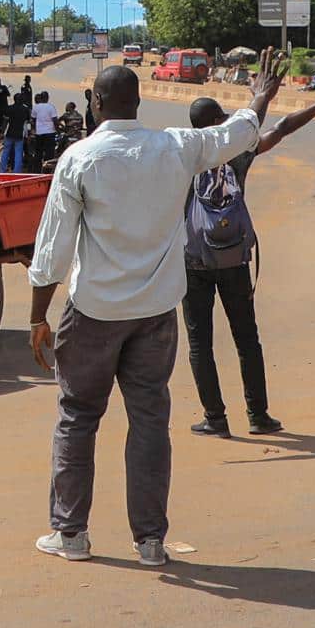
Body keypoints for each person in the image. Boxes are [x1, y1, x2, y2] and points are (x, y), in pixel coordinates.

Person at [27, 50, 282, 568]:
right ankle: (149, 542)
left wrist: (37, 317)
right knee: (149, 421)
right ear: (139, 103)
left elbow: (52, 251)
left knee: (78, 418)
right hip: (156, 313)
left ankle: (70, 534)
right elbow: (236, 134)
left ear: (96, 103)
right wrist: (260, 95)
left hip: (94, 311)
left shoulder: (79, 159)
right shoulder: (176, 147)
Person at [184, 78, 315, 437]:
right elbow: (280, 128)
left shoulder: (182, 157)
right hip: (233, 258)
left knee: (200, 343)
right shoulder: (237, 154)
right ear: (220, 122)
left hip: (194, 262)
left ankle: (215, 419)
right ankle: (258, 415)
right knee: (246, 337)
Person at [1, 90, 31, 174]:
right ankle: (17, 171)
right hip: (19, 134)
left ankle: (2, 170)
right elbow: (27, 123)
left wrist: (1, 132)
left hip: (9, 133)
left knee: (5, 152)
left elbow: (5, 122)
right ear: (21, 100)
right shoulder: (25, 109)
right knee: (18, 153)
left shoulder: (9, 108)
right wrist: (28, 134)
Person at [29, 91, 60, 169]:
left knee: (38, 152)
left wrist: (34, 129)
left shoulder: (36, 107)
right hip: (50, 133)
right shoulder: (51, 107)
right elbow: (55, 121)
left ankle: (37, 169)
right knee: (49, 153)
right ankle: (47, 169)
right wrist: (58, 130)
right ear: (47, 98)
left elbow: (32, 120)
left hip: (39, 133)